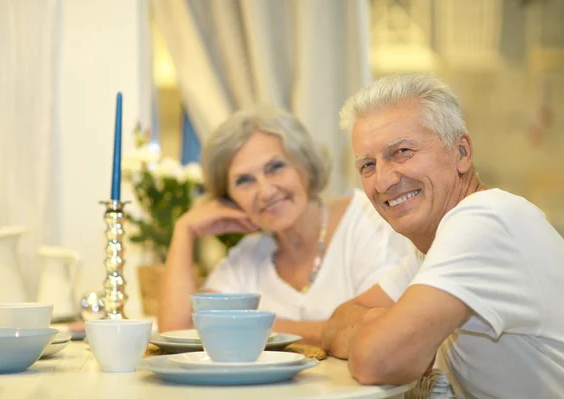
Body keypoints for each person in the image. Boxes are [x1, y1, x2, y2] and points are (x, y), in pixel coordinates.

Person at [322, 73, 564, 398]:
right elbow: (337, 321)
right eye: (368, 165)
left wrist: (387, 334)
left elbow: (378, 361)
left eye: (402, 151)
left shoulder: (485, 221)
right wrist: (379, 321)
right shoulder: (431, 247)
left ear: (461, 152)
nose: (384, 181)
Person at [158, 105, 412, 346]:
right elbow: (177, 332)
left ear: (305, 165)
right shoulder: (249, 255)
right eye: (244, 181)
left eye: (276, 167)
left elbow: (381, 330)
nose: (266, 191)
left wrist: (252, 326)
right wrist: (184, 230)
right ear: (228, 199)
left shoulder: (369, 221)